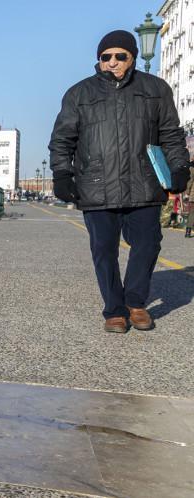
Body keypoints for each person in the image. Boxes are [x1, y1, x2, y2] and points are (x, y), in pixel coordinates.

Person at [49, 30, 191, 333]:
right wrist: (62, 175)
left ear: (133, 58)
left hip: (144, 185)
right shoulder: (79, 94)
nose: (112, 62)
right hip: (96, 186)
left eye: (119, 56)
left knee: (149, 244)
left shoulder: (155, 89)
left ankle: (135, 303)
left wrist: (179, 169)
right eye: (105, 57)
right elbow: (62, 140)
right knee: (103, 249)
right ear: (99, 60)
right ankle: (114, 310)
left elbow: (171, 135)